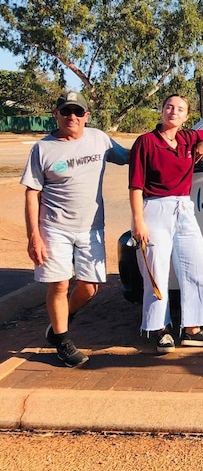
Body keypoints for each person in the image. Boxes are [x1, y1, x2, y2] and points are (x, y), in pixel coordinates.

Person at [21, 91, 128, 367]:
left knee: (90, 288)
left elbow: (130, 157)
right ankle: (64, 341)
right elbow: (32, 193)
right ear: (56, 114)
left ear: (86, 116)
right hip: (53, 228)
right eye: (66, 111)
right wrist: (34, 236)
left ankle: (59, 323)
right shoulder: (42, 149)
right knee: (59, 283)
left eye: (78, 112)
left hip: (91, 227)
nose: (72, 117)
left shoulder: (99, 139)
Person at [128, 94, 203, 353]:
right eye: (169, 106)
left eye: (180, 109)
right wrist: (138, 222)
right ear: (161, 110)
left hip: (183, 207)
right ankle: (161, 329)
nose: (173, 111)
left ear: (186, 116)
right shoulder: (145, 142)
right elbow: (136, 186)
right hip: (154, 209)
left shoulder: (187, 138)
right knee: (157, 272)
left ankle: (194, 328)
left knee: (196, 267)